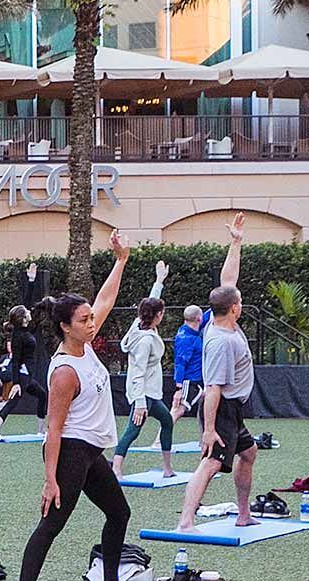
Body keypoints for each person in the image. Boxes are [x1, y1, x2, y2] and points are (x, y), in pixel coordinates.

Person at [9, 239, 141, 581]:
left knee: (119, 512)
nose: (91, 322)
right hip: (67, 451)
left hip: (89, 452)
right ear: (65, 327)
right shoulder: (65, 369)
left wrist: (121, 260)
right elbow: (53, 428)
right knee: (52, 523)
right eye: (83, 320)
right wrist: (50, 480)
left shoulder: (86, 346)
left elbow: (105, 299)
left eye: (90, 318)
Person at [175, 214, 258, 531]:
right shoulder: (222, 340)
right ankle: (185, 521)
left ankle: (243, 514)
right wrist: (209, 430)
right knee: (210, 462)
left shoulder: (218, 319)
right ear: (235, 308)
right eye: (239, 301)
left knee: (248, 453)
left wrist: (235, 243)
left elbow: (228, 281)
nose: (240, 299)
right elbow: (212, 389)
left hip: (232, 409)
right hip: (220, 409)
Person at [109, 261, 176, 477]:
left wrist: (159, 281)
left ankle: (167, 469)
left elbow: (150, 303)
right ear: (157, 316)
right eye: (161, 313)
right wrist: (139, 403)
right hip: (142, 392)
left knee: (167, 421)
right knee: (133, 429)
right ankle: (116, 468)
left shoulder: (138, 323)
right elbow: (137, 371)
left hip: (150, 392)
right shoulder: (145, 340)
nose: (162, 316)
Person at [0, 265, 49, 433]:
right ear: (23, 318)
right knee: (12, 403)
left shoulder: (24, 328)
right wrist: (16, 383)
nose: (30, 312)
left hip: (28, 375)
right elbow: (15, 361)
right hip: (23, 375)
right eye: (27, 313)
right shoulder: (18, 336)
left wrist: (31, 280)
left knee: (42, 395)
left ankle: (41, 431)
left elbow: (26, 303)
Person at [167, 301, 208, 421]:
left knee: (207, 406)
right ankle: (159, 439)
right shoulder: (186, 338)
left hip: (199, 380)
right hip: (190, 381)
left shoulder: (192, 329)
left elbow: (206, 317)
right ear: (198, 318)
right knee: (178, 410)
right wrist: (179, 388)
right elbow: (180, 363)